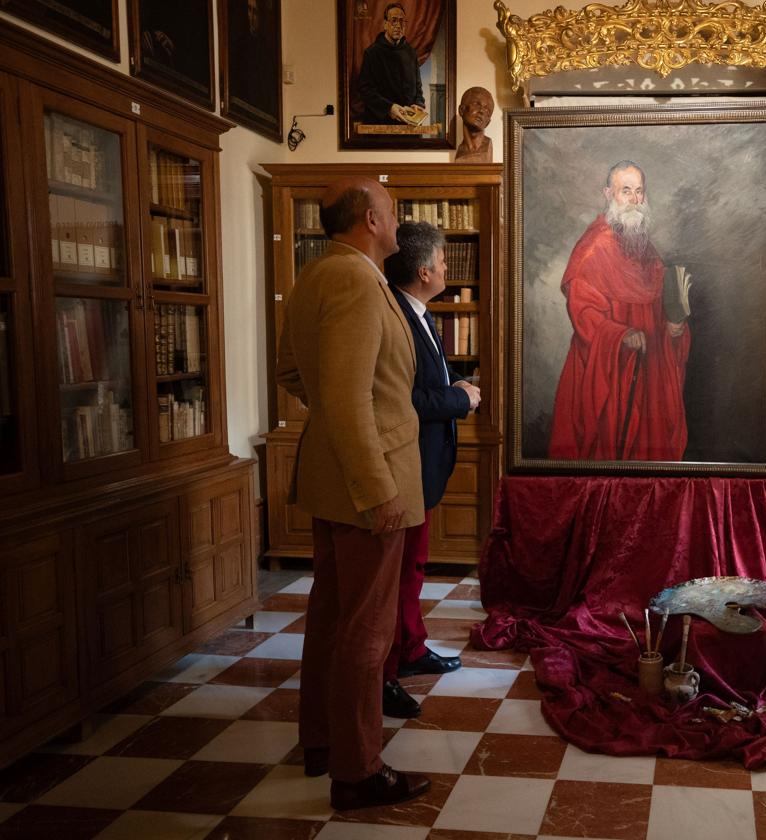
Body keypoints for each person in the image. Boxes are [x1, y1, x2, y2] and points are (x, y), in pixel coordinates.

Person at [276, 176, 430, 809]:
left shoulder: (317, 274)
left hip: (332, 475)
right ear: (369, 218)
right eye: (392, 214)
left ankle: (323, 744)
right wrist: (374, 482)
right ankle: (358, 771)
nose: (398, 223)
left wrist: (345, 425)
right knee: (367, 634)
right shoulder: (356, 281)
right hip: (368, 483)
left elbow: (293, 372)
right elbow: (344, 396)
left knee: (332, 621)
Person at [377, 222, 481, 718]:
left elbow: (430, 375)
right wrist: (458, 399)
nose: (446, 268)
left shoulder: (419, 312)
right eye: (442, 262)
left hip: (423, 463)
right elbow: (406, 400)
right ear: (423, 272)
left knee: (412, 569)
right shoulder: (397, 316)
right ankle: (389, 666)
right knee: (399, 574)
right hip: (405, 463)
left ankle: (412, 649)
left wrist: (457, 381)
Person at [548, 161, 691, 461]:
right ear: (608, 194)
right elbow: (583, 312)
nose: (635, 200)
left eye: (639, 192)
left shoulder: (645, 249)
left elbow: (659, 310)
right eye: (626, 191)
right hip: (609, 371)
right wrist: (621, 335)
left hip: (648, 370)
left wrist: (673, 330)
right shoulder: (594, 247)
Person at [359, 2, 425, 125]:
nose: (398, 26)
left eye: (402, 21)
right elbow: (365, 90)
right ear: (385, 24)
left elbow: (418, 88)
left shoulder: (411, 53)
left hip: (408, 126)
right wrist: (389, 108)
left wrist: (418, 104)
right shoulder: (372, 53)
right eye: (394, 20)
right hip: (380, 124)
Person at [454, 86, 495, 162]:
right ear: (461, 110)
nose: (482, 111)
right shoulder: (460, 151)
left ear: (488, 122)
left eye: (487, 110)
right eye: (476, 104)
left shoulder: (487, 147)